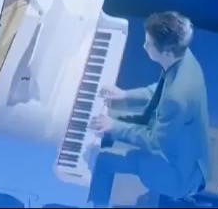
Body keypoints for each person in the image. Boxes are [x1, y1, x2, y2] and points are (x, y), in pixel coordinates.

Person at [89, 11, 210, 206]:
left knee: (101, 162)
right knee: (113, 118)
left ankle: (96, 200)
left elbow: (154, 141)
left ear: (166, 53)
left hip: (178, 173)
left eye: (148, 43)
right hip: (189, 146)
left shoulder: (177, 98)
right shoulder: (183, 55)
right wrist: (124, 95)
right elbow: (160, 90)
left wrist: (114, 126)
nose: (144, 46)